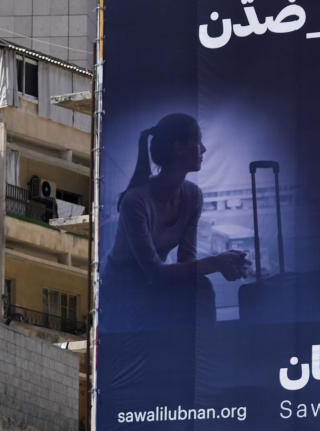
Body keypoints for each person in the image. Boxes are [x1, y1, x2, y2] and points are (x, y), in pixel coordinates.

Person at [103, 113, 248, 328]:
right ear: (178, 147)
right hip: (123, 294)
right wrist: (217, 262)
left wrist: (225, 264)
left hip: (156, 287)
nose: (204, 149)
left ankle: (204, 355)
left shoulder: (193, 195)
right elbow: (153, 272)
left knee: (201, 287)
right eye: (197, 142)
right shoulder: (136, 201)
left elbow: (186, 260)